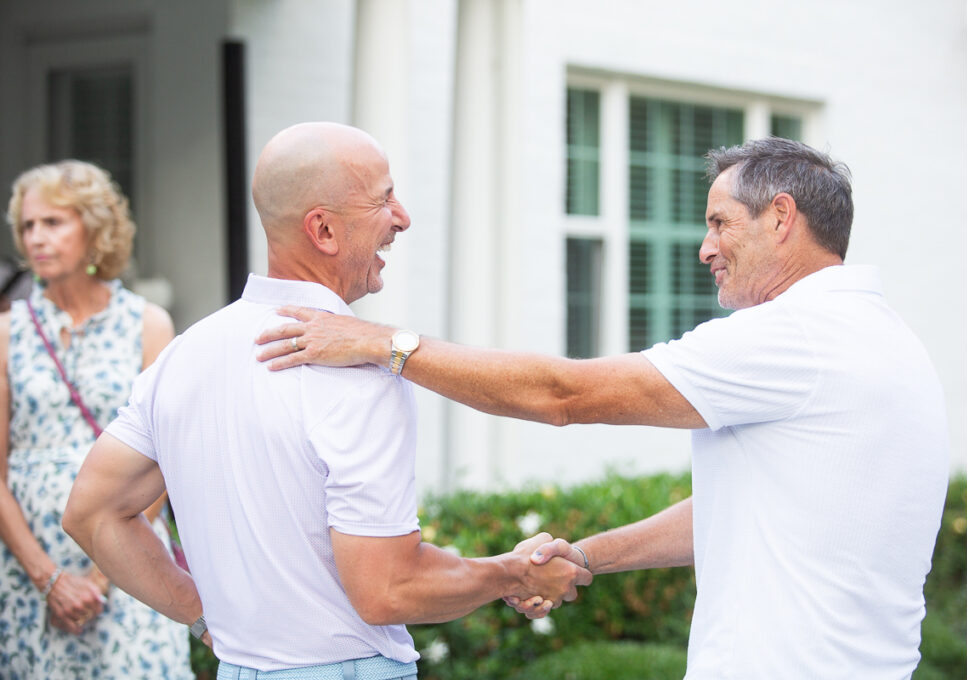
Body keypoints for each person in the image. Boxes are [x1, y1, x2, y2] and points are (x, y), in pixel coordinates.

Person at [252, 137, 950, 679]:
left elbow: (565, 396)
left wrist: (382, 343)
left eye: (719, 222)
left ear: (781, 218)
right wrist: (585, 557)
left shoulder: (793, 337)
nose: (705, 248)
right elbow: (740, 506)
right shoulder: (884, 339)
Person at [62, 122, 591, 680]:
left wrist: (203, 618)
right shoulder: (360, 373)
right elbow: (388, 589)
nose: (403, 217)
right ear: (324, 230)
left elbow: (92, 513)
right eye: (384, 198)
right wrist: (511, 573)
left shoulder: (185, 354)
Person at [0, 160, 192, 678]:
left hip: (130, 565)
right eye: (27, 226)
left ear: (95, 229)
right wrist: (50, 580)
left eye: (53, 222)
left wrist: (103, 575)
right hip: (28, 571)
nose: (36, 237)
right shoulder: (5, 331)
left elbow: (165, 461)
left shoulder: (148, 324)